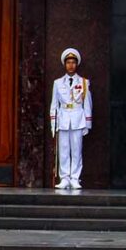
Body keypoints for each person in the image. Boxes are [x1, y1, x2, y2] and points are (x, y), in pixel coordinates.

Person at [50, 47, 92, 190]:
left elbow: (87, 103)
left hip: (78, 119)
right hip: (62, 119)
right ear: (64, 64)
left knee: (76, 150)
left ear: (77, 64)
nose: (71, 65)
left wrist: (87, 124)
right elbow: (54, 104)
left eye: (73, 62)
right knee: (63, 149)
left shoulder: (84, 82)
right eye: (68, 62)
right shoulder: (57, 83)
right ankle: (64, 178)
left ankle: (75, 178)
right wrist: (53, 123)